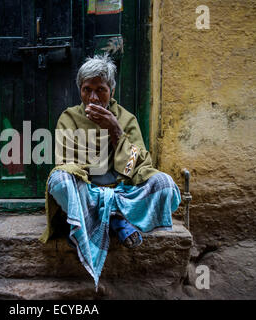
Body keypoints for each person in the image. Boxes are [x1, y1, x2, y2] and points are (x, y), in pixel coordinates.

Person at [39, 54, 182, 288]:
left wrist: (116, 131)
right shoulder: (69, 118)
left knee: (165, 186)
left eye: (100, 90)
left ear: (111, 91)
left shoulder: (126, 119)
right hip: (88, 194)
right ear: (80, 91)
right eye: (87, 90)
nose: (93, 97)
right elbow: (66, 164)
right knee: (59, 181)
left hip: (122, 192)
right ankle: (116, 218)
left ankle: (94, 220)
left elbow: (137, 167)